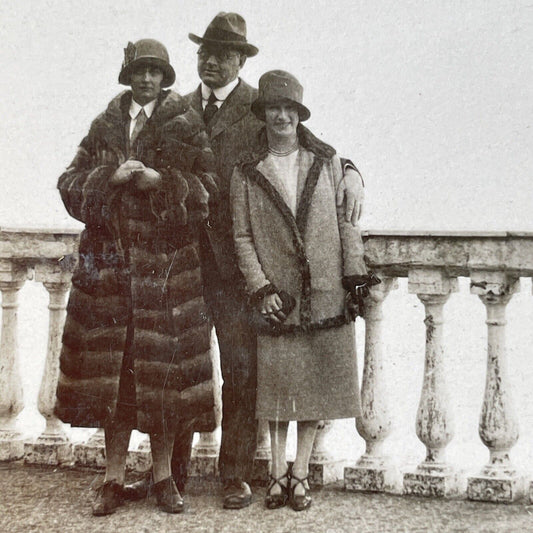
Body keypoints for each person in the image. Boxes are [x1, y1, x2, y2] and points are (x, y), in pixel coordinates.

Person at [125, 11, 366, 509]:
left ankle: (235, 474)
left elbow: (306, 142)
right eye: (204, 52)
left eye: (223, 53)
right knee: (181, 370)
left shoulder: (262, 104)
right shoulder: (176, 105)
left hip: (238, 271)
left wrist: (351, 169)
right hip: (182, 261)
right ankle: (172, 474)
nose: (211, 60)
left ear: (240, 60)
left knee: (240, 370)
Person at [55, 39, 218, 516]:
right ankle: (112, 480)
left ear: (166, 77)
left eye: (155, 71)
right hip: (107, 278)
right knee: (116, 383)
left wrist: (162, 183)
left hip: (165, 280)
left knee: (162, 382)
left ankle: (164, 478)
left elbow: (208, 189)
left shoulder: (185, 124)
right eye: (139, 71)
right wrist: (109, 177)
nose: (146, 79)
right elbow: (68, 184)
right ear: (127, 75)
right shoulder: (104, 124)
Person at [230, 70, 377, 511]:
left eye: (289, 109)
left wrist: (354, 278)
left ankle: (300, 475)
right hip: (278, 298)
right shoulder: (245, 171)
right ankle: (276, 475)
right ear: (263, 114)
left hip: (324, 292)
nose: (281, 116)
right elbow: (241, 237)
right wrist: (260, 288)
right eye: (273, 108)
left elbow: (346, 223)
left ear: (299, 114)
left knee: (312, 390)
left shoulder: (327, 163)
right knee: (276, 389)